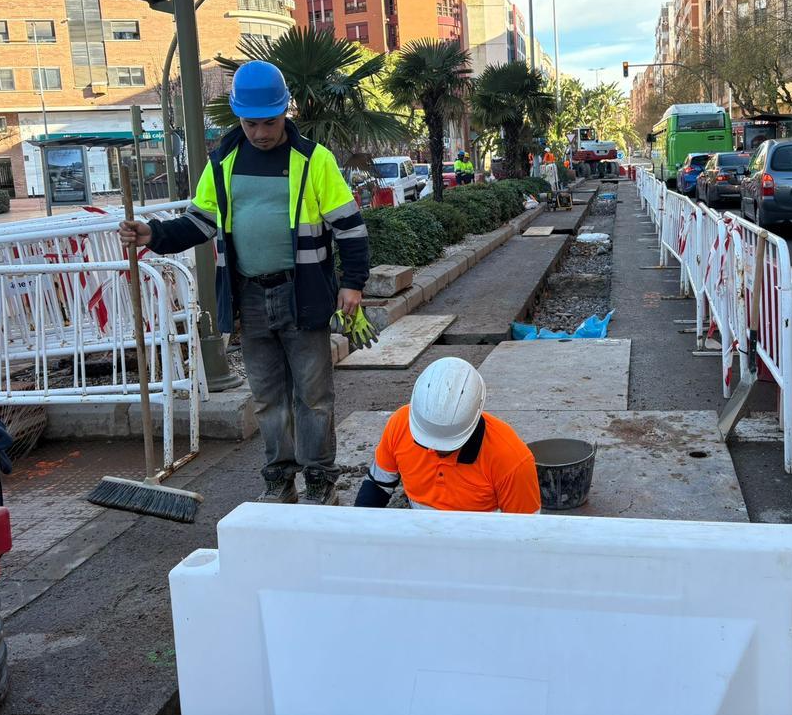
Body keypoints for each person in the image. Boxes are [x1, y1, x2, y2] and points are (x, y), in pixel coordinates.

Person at [118, 60, 368, 505]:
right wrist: (153, 234)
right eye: (250, 123)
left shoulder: (314, 161)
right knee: (269, 398)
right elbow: (198, 223)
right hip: (248, 297)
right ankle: (278, 476)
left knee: (313, 396)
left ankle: (319, 476)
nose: (259, 133)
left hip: (303, 294)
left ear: (284, 112)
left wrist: (353, 284)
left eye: (268, 122)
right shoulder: (222, 163)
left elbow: (349, 227)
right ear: (239, 117)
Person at [355, 358, 541, 514]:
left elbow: (527, 536)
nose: (433, 449)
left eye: (447, 447)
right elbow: (378, 485)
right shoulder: (400, 424)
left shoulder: (511, 460)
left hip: (481, 548)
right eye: (425, 441)